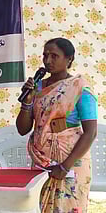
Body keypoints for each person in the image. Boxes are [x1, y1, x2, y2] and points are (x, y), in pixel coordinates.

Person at [16, 38, 97, 212]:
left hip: (70, 163)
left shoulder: (79, 88)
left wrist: (64, 166)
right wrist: (27, 102)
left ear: (69, 59)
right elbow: (23, 129)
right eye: (45, 55)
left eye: (54, 56)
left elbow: (90, 132)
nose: (47, 61)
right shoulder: (36, 87)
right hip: (41, 161)